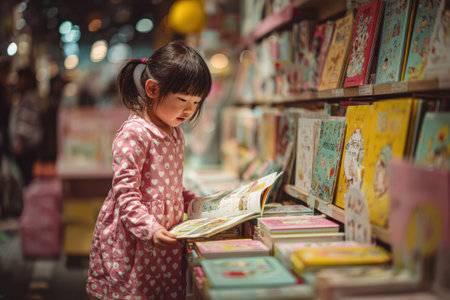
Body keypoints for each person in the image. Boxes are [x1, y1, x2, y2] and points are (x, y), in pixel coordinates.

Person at [86, 40, 212, 300]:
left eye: (196, 102)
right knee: (136, 291)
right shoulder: (135, 133)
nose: (189, 110)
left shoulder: (176, 133)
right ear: (153, 89)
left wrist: (196, 203)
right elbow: (125, 192)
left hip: (163, 236)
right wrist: (149, 228)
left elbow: (171, 186)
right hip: (136, 238)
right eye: (182, 99)